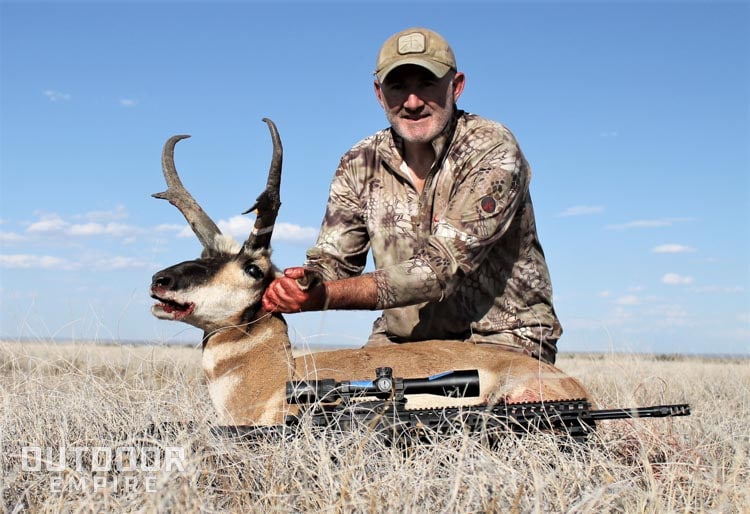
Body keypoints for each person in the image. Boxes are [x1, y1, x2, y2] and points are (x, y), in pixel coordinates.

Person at [262, 27, 562, 364]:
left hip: (503, 339)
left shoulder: (490, 148)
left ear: (457, 86)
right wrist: (298, 284)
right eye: (398, 86)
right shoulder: (359, 162)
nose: (413, 102)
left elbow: (439, 271)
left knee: (493, 415)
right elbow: (334, 264)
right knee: (324, 403)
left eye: (427, 84)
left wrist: (323, 297)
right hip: (402, 341)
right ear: (379, 93)